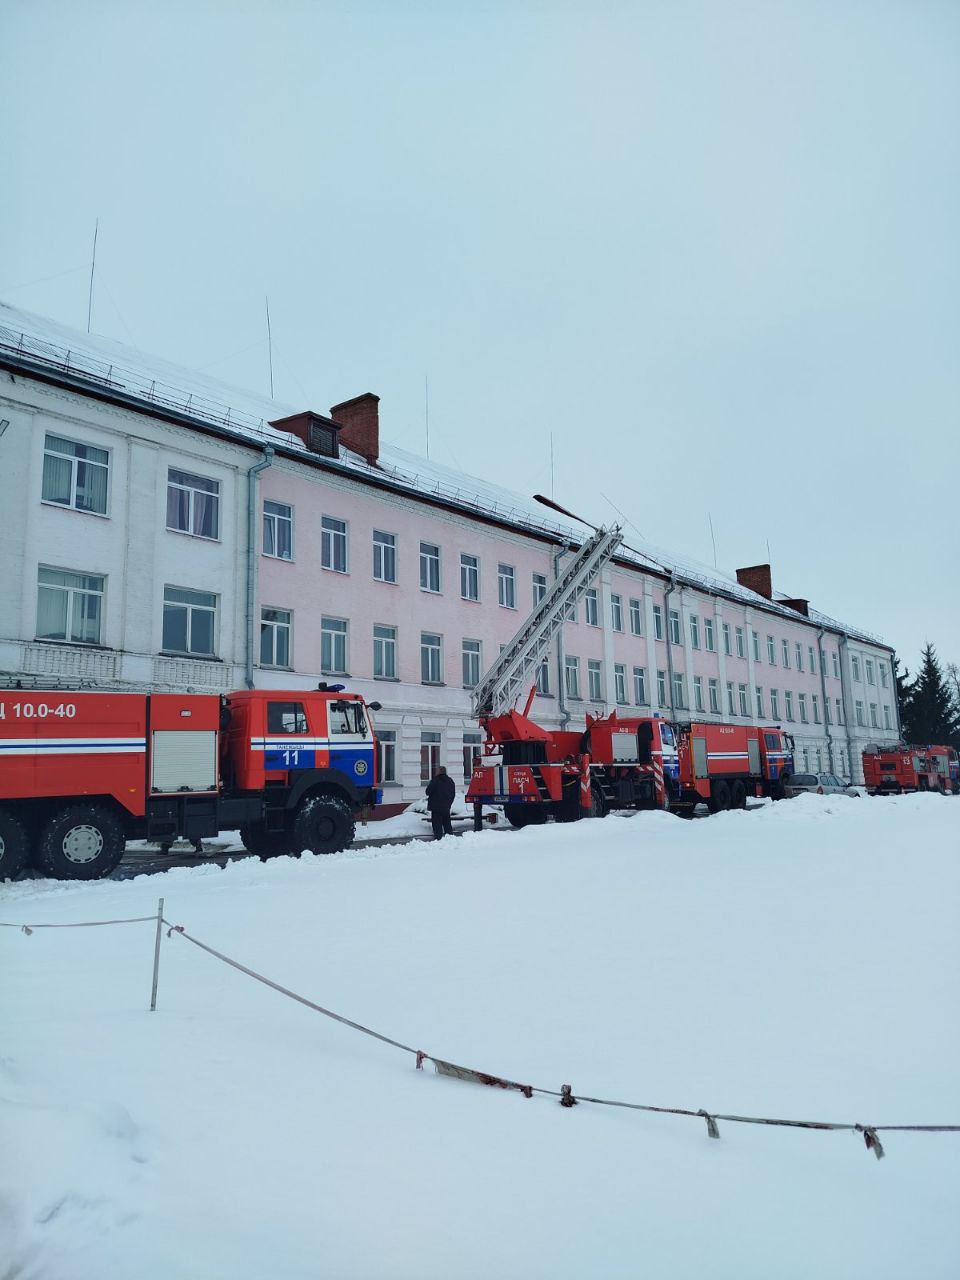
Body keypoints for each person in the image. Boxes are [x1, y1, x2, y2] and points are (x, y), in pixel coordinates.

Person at [425, 765, 456, 839]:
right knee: (447, 824)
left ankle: (438, 840)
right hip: (446, 807)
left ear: (439, 772)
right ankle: (450, 839)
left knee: (437, 825)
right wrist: (449, 804)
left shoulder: (435, 780)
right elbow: (453, 794)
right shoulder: (450, 781)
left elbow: (428, 792)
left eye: (437, 771)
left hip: (436, 807)